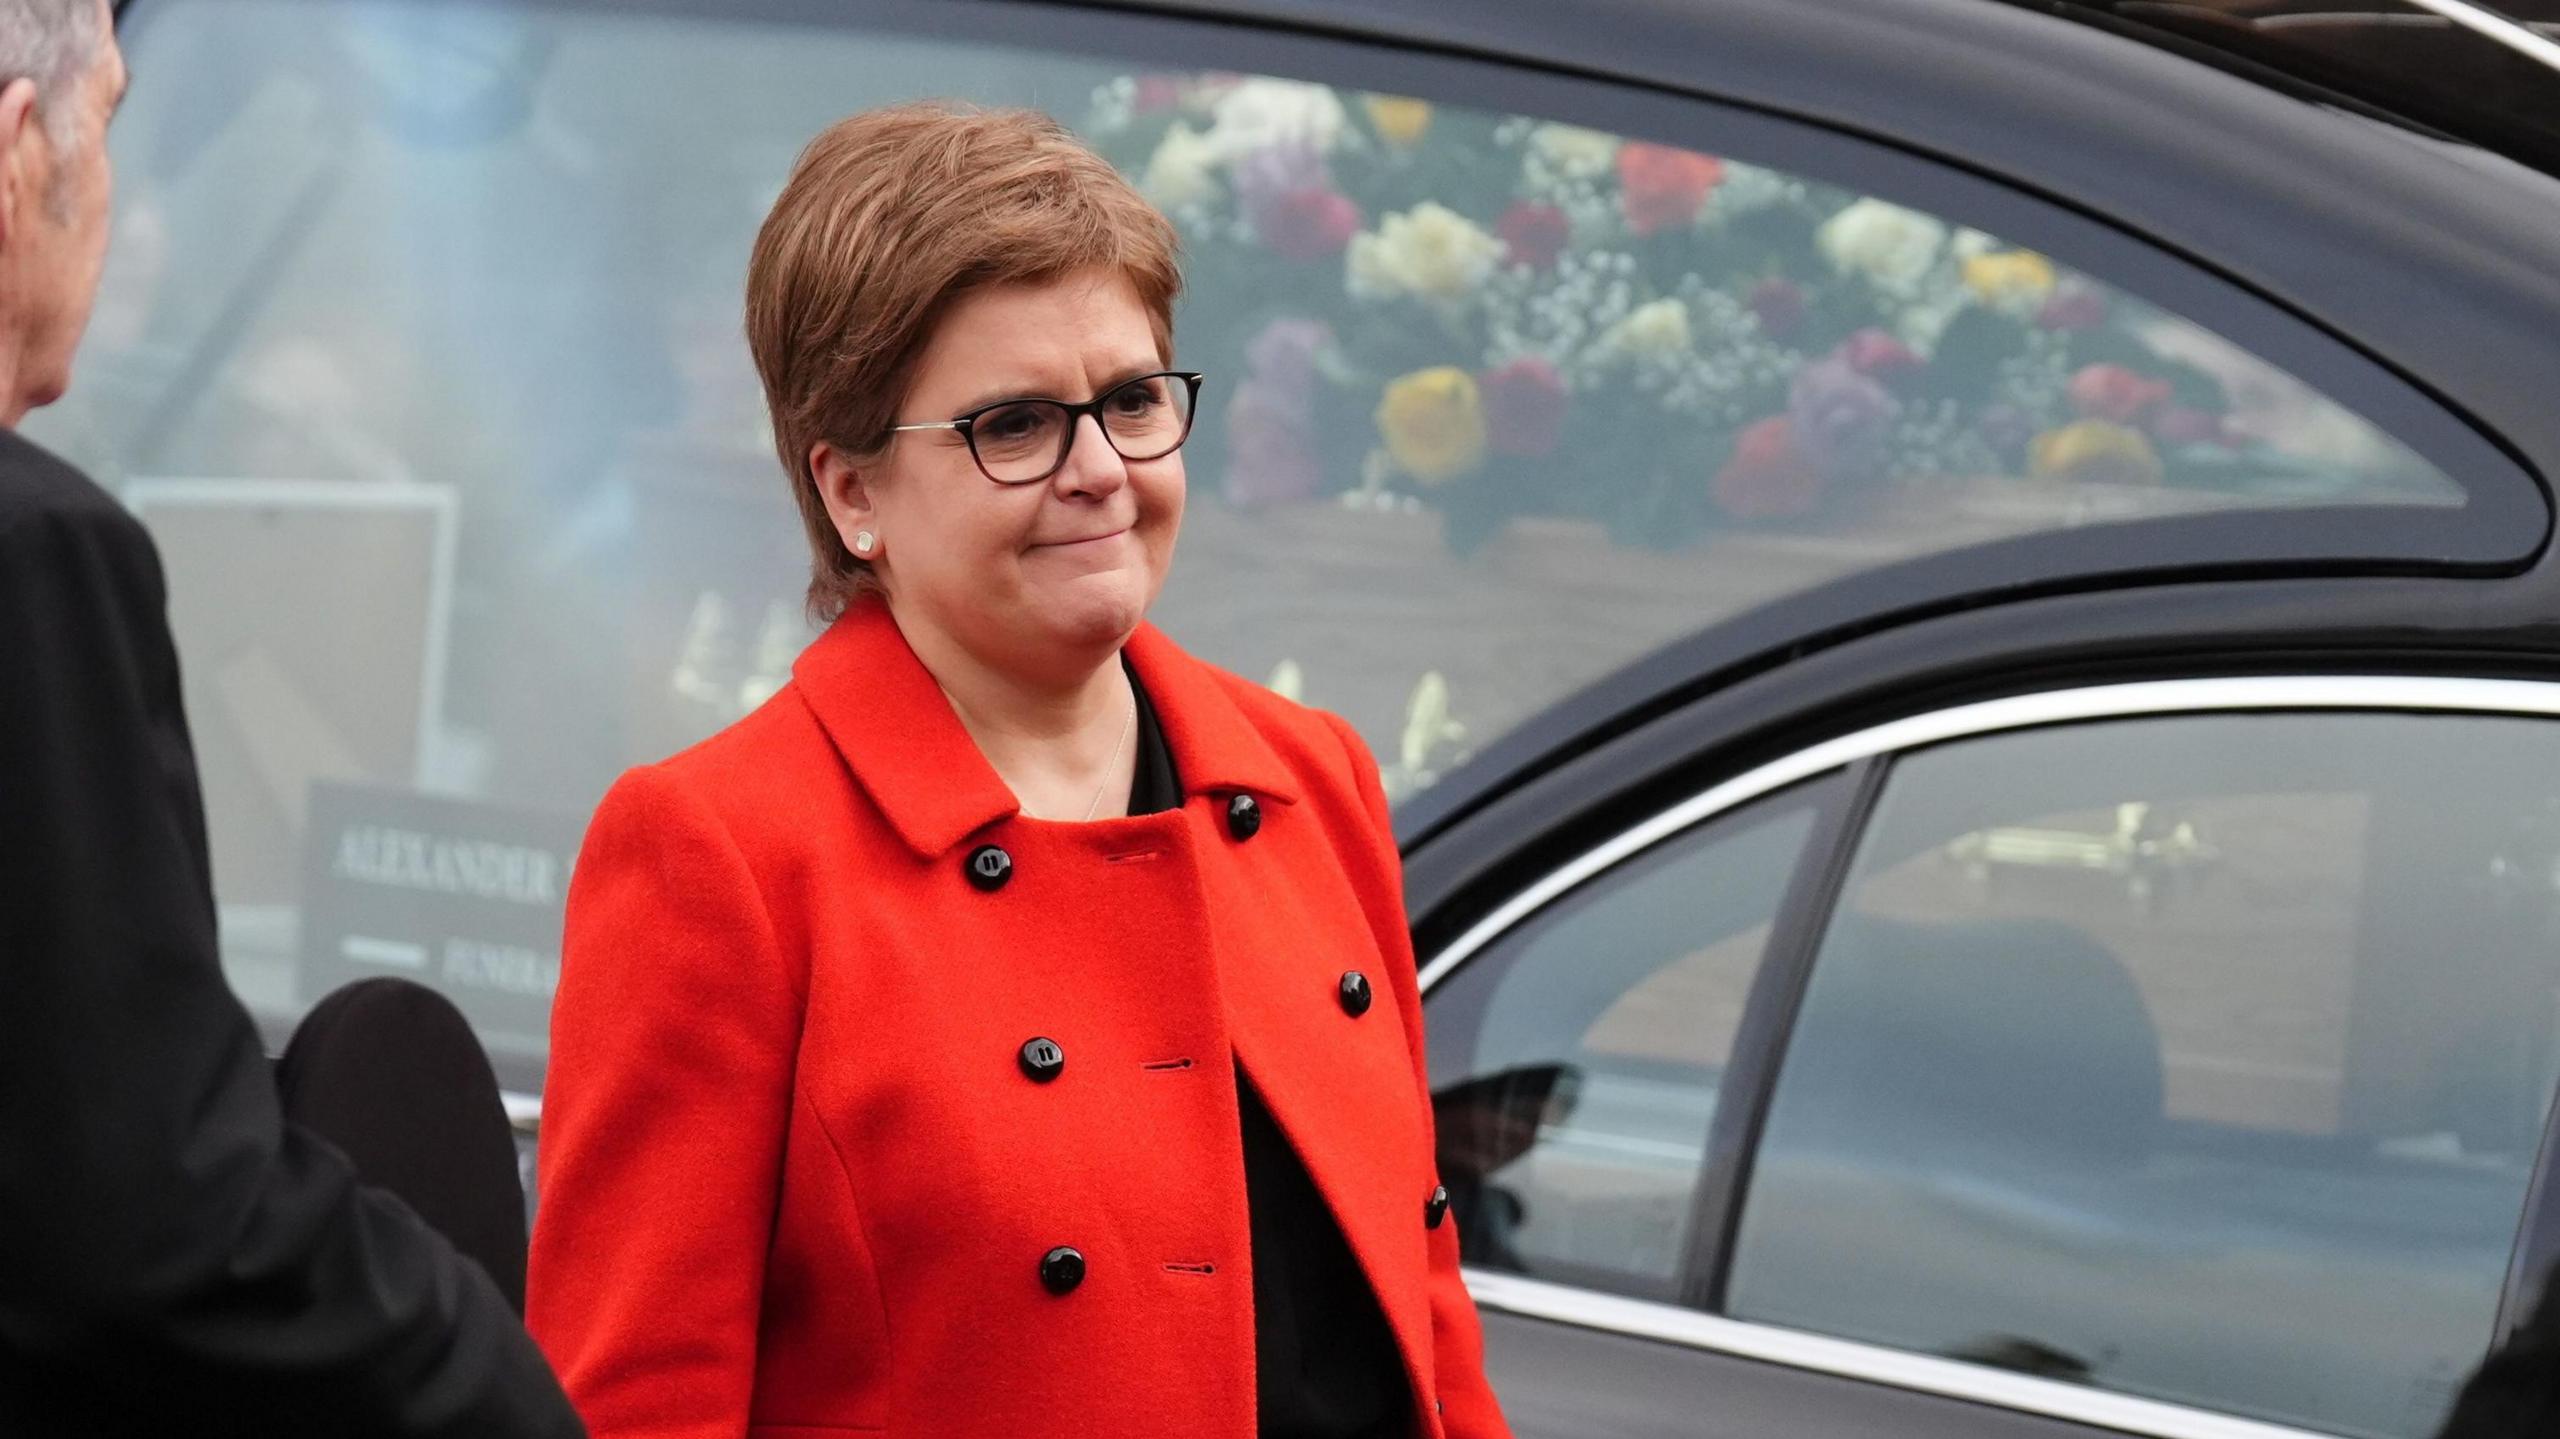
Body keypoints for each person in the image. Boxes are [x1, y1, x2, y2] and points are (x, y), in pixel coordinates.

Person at [526, 102, 1515, 1438]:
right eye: (1015, 425)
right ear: (851, 492)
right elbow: (633, 1411)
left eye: (1128, 400)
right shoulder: (720, 853)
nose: (1100, 469)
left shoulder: (1307, 777)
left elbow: (1431, 1327)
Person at [0, 2, 582, 1433]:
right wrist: (492, 1385)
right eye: (118, 123)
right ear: (23, 156)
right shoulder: (31, 551)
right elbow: (150, 1212)